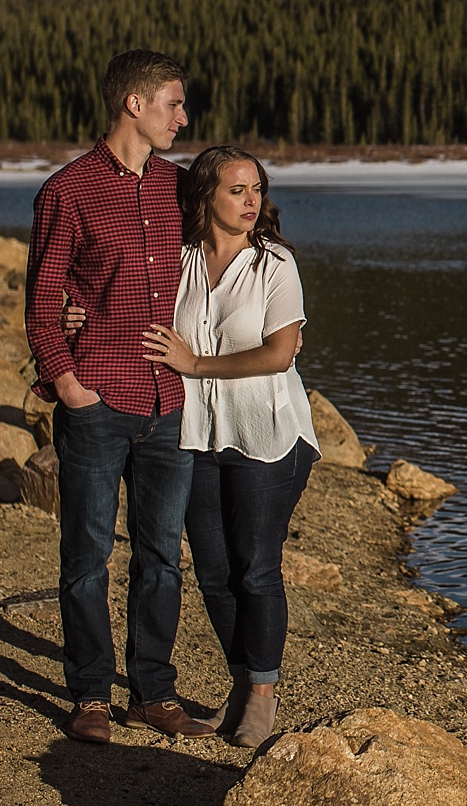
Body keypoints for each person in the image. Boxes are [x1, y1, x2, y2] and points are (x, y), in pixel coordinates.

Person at [26, 49, 216, 743]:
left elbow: (237, 233)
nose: (183, 116)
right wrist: (70, 386)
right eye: (174, 102)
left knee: (161, 556)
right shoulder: (67, 191)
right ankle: (89, 697)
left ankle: (152, 692)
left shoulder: (179, 186)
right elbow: (43, 304)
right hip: (97, 404)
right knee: (85, 555)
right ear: (134, 104)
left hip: (169, 404)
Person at [140, 145, 321, 748]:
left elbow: (280, 353)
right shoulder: (181, 260)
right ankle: (240, 683)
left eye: (257, 190)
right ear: (205, 197)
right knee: (214, 572)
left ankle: (263, 696)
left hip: (267, 434)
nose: (252, 202)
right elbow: (137, 310)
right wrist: (80, 318)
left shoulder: (276, 264)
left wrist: (195, 363)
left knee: (255, 566)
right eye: (237, 190)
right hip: (195, 433)